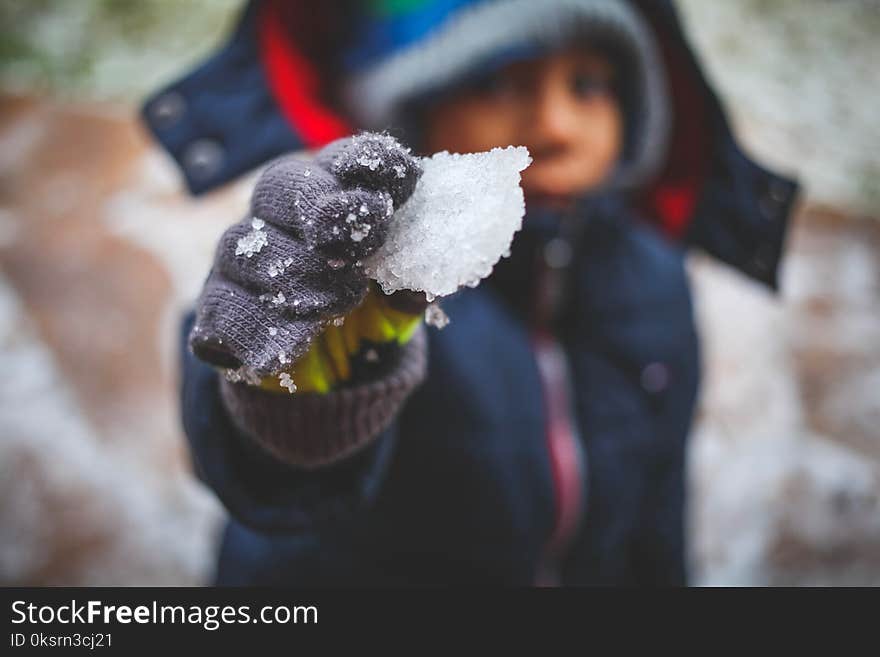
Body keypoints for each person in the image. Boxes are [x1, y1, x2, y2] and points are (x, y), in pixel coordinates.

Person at [142, 0, 798, 585]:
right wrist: (301, 389)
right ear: (415, 115)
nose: (556, 125)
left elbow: (658, 511)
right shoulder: (373, 270)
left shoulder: (655, 280)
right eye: (499, 82)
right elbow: (275, 476)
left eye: (589, 85)